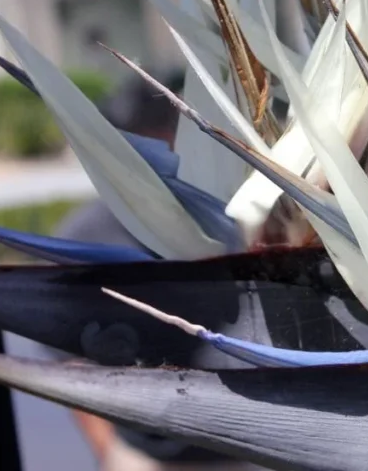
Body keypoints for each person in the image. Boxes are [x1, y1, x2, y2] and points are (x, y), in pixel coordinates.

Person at [48, 69, 264, 470]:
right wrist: (111, 454)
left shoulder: (233, 220)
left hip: (241, 450)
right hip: (146, 455)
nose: (155, 150)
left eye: (164, 132)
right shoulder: (82, 238)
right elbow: (69, 362)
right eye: (137, 137)